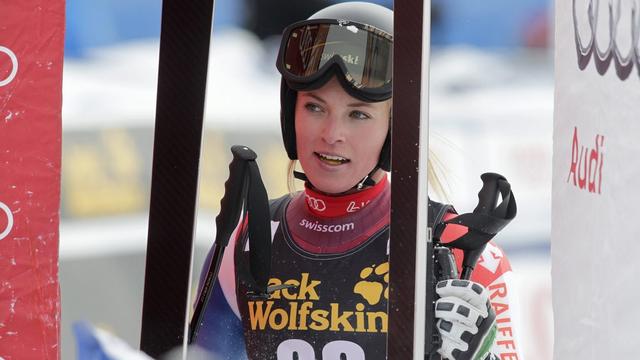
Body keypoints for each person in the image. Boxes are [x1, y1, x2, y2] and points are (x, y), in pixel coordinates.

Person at [194, 2, 522, 359]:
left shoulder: (461, 253)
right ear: (290, 114)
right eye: (314, 107)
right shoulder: (245, 245)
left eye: (359, 114)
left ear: (396, 129)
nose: (332, 134)